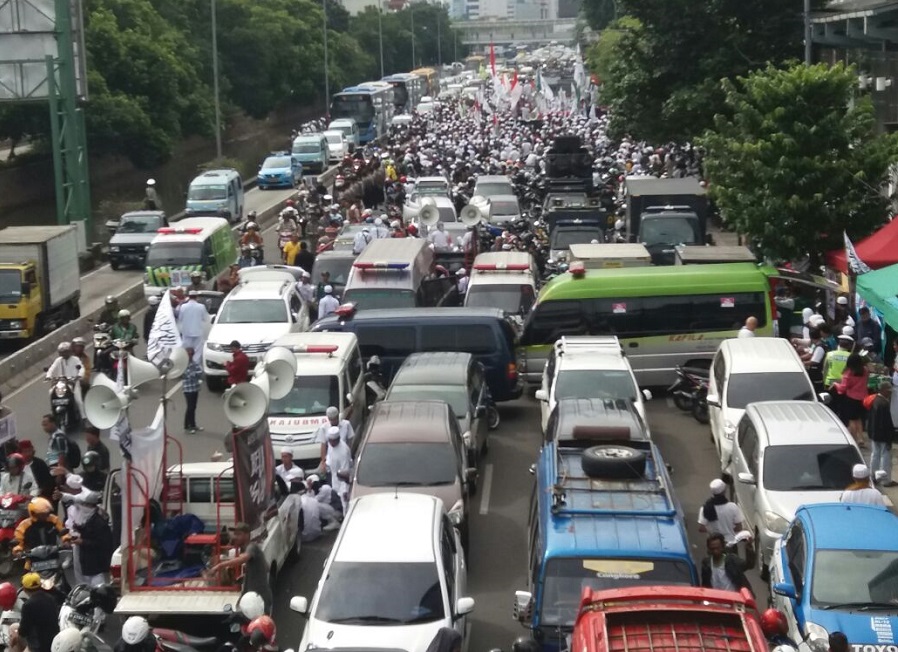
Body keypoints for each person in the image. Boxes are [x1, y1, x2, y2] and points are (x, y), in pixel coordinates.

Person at [204, 522, 273, 614]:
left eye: (238, 534)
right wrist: (248, 575)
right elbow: (266, 567)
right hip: (251, 598)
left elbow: (243, 559)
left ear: (247, 535)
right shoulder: (252, 549)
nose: (235, 537)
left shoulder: (252, 547)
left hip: (259, 600)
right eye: (235, 534)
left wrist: (219, 566)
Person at [70, 491, 113, 587]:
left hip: (97, 567)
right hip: (87, 565)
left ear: (91, 506)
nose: (82, 507)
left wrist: (83, 542)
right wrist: (77, 529)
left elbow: (102, 544)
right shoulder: (89, 519)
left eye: (85, 505)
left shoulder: (99, 523)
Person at [832, 352, 869, 446]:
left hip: (852, 399)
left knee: (852, 420)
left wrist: (835, 384)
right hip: (863, 398)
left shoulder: (848, 373)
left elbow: (842, 388)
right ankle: (861, 439)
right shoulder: (865, 370)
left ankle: (854, 440)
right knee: (859, 419)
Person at [17, 572, 61, 652]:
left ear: (24, 589)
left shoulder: (28, 605)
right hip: (55, 640)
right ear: (40, 585)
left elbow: (23, 630)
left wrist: (17, 633)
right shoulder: (50, 598)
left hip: (38, 646)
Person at [697, 479, 747, 547]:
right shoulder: (733, 507)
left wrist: (712, 531)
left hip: (714, 544)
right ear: (724, 491)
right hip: (730, 543)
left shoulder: (705, 508)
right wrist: (729, 530)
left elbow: (701, 528)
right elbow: (739, 527)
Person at [45, 342, 85, 421]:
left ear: (70, 351)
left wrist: (79, 375)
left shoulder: (75, 359)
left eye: (65, 351)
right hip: (61, 382)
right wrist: (48, 376)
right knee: (51, 392)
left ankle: (84, 418)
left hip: (73, 382)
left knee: (78, 400)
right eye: (62, 352)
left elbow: (81, 368)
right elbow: (52, 369)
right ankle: (54, 410)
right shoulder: (58, 360)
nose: (64, 354)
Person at [867, 380, 897, 486]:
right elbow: (886, 423)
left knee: (875, 455)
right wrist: (890, 437)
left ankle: (873, 476)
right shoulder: (884, 403)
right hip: (884, 435)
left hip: (874, 434)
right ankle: (885, 480)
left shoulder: (875, 400)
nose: (890, 393)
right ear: (883, 390)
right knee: (886, 457)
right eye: (888, 391)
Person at [325, 427, 353, 515]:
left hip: (343, 483)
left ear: (338, 439)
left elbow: (345, 473)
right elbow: (330, 456)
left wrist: (345, 490)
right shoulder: (330, 445)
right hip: (334, 479)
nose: (332, 443)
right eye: (330, 441)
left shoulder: (343, 451)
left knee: (346, 506)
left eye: (334, 441)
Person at [177, 291, 210, 356]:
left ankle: (186, 363)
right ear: (197, 297)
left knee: (186, 350)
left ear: (189, 297)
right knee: (197, 350)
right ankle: (196, 363)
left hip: (186, 332)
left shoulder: (183, 306)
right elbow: (206, 319)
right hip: (197, 332)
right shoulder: (201, 307)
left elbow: (180, 318)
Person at [182, 347, 203, 433]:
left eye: (192, 354)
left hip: (195, 387)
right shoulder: (183, 364)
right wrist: (195, 374)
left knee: (193, 407)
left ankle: (192, 425)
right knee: (190, 407)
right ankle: (188, 426)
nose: (190, 356)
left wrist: (195, 374)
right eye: (189, 354)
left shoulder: (194, 363)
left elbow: (200, 371)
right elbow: (188, 374)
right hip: (188, 389)